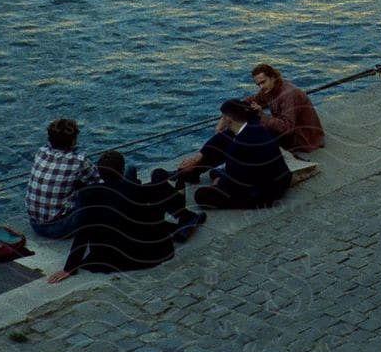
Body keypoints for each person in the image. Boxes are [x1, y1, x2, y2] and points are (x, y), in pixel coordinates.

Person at [47, 151, 201, 281]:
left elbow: (83, 231)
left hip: (109, 257)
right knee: (158, 182)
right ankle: (184, 211)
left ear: (100, 172)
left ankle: (181, 215)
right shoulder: (135, 190)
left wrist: (69, 267)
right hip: (144, 252)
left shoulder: (87, 194)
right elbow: (153, 210)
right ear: (121, 171)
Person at [192, 101, 292, 211]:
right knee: (214, 173)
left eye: (223, 117)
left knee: (201, 195)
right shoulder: (255, 125)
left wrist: (219, 184)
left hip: (263, 195)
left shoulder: (237, 146)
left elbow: (234, 182)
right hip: (281, 182)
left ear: (228, 118)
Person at [25, 117, 102, 239]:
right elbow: (100, 185)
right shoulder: (78, 160)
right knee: (92, 194)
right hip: (59, 228)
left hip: (35, 225)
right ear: (72, 140)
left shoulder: (41, 152)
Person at [247, 64, 325, 155]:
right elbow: (254, 99)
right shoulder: (268, 88)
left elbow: (287, 128)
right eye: (258, 84)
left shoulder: (288, 94)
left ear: (272, 78)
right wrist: (234, 107)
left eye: (263, 82)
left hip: (303, 137)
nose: (261, 87)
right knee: (251, 128)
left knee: (256, 135)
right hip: (288, 129)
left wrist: (262, 116)